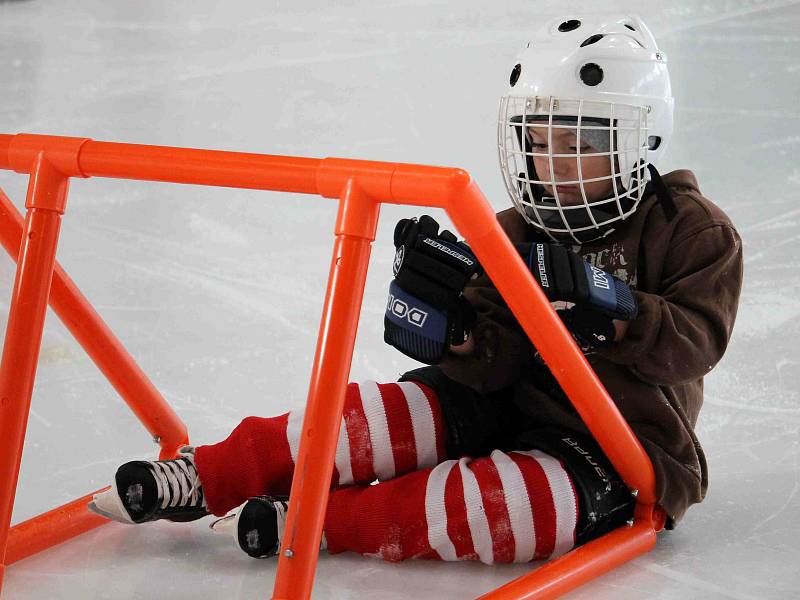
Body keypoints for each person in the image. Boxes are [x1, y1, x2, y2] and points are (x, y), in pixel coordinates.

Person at [89, 14, 743, 564]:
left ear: (640, 138)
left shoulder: (691, 231)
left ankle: (322, 520)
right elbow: (494, 364)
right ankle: (207, 474)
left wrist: (617, 311)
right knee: (367, 416)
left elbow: (697, 346)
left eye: (575, 145)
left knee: (510, 507)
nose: (551, 167)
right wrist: (454, 331)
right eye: (538, 144)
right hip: (500, 407)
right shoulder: (513, 231)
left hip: (618, 447)